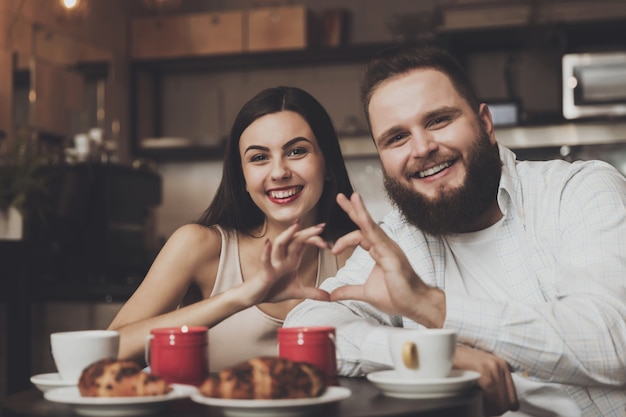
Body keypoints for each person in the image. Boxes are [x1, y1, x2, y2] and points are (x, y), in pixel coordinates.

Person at [285, 43, 626, 417]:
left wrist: (430, 306)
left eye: (438, 120)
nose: (422, 148)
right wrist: (429, 356)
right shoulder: (400, 236)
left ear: (485, 123)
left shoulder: (577, 190)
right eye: (396, 137)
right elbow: (306, 329)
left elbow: (612, 340)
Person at [108, 86, 357, 371]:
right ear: (242, 178)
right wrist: (242, 295)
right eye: (259, 157)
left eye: (297, 151)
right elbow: (107, 352)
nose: (278, 172)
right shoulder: (198, 244)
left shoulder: (352, 255)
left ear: (327, 166)